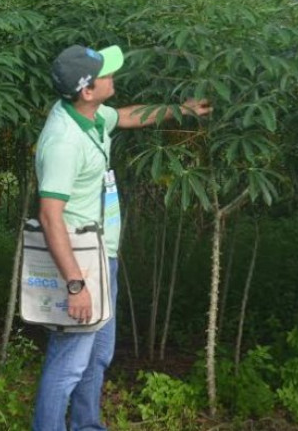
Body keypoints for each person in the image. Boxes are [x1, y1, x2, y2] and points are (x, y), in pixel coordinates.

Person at [32, 44, 211, 431]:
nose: (114, 77)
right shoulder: (64, 140)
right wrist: (75, 284)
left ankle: (87, 425)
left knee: (97, 355)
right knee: (68, 363)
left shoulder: (90, 116)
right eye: (106, 74)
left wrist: (181, 110)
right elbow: (50, 217)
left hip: (101, 255)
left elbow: (129, 116)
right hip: (78, 262)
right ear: (87, 91)